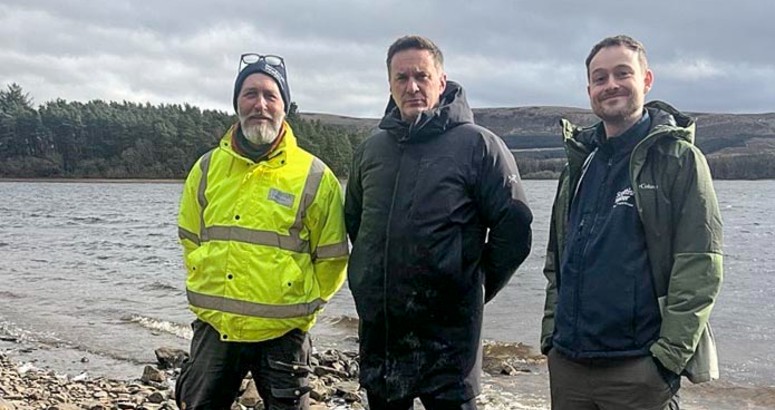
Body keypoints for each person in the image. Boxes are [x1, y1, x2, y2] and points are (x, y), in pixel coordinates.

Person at [344, 35, 533, 410]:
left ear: (441, 81)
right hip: (383, 339)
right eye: (402, 78)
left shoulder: (479, 145)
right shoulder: (371, 149)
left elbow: (515, 231)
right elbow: (356, 222)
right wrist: (371, 280)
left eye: (422, 76)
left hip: (449, 343)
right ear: (390, 84)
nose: (412, 86)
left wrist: (470, 286)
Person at [541, 34, 724, 410]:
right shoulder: (579, 165)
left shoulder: (679, 160)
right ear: (590, 88)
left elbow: (700, 264)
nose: (610, 85)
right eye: (600, 77)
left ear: (646, 79)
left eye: (622, 73)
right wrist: (550, 339)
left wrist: (667, 359)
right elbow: (556, 262)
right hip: (570, 367)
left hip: (637, 370)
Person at [175, 53, 349, 410]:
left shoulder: (315, 176)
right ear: (237, 102)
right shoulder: (207, 168)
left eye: (271, 95)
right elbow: (190, 237)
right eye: (250, 94)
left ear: (285, 105)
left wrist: (305, 307)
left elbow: (332, 257)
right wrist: (207, 282)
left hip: (284, 333)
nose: (260, 105)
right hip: (216, 327)